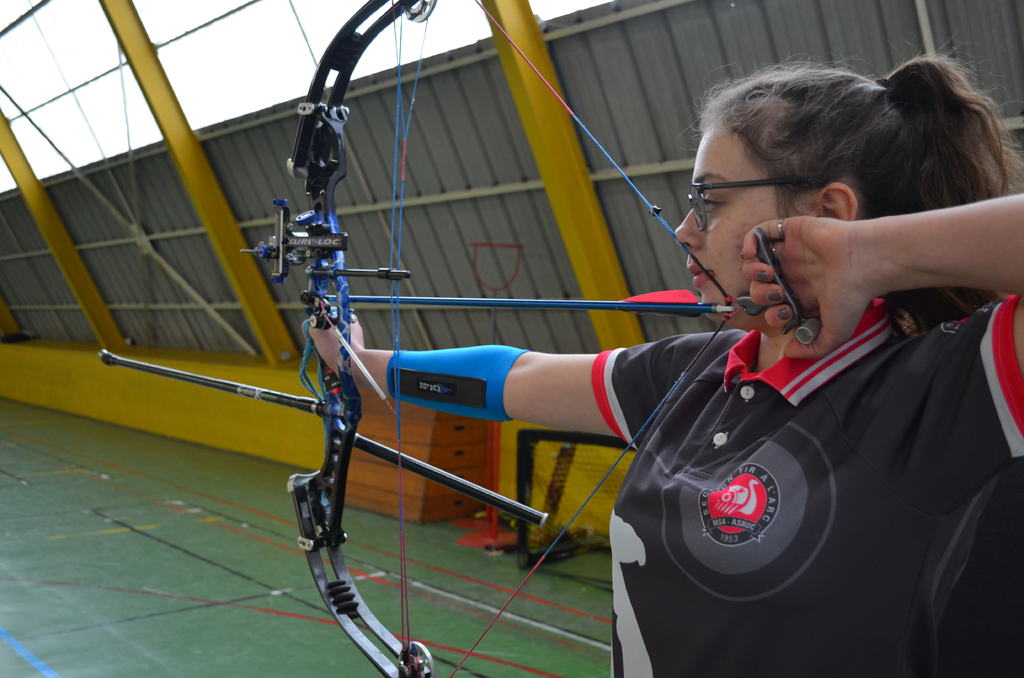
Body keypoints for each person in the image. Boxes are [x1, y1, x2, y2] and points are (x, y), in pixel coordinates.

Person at [313, 56, 1023, 677]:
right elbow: (512, 377)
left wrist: (867, 252)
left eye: (709, 202)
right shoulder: (693, 372)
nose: (684, 232)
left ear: (829, 211)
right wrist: (363, 364)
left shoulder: (945, 391)